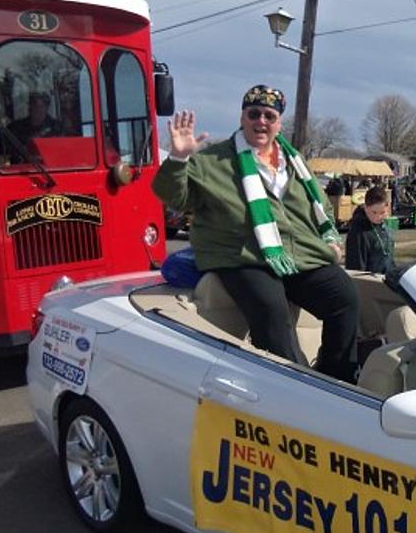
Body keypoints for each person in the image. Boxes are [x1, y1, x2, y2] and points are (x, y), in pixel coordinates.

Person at [152, 85, 360, 383]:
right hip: (242, 255)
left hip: (296, 255)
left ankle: (337, 380)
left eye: (269, 116)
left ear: (278, 123)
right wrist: (179, 159)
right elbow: (173, 196)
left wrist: (329, 239)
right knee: (272, 311)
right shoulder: (212, 161)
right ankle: (298, 387)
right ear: (242, 117)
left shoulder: (294, 162)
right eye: (254, 113)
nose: (261, 121)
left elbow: (322, 206)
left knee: (344, 296)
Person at [345, 186, 395, 274]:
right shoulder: (358, 232)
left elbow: (389, 258)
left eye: (382, 212)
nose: (378, 217)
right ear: (365, 207)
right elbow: (355, 268)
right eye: (374, 212)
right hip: (370, 283)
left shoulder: (385, 226)